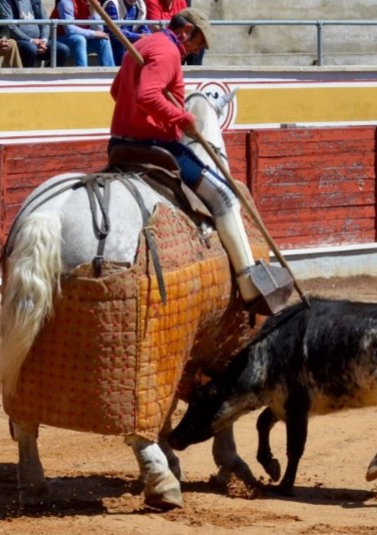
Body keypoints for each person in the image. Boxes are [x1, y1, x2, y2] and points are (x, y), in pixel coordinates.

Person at [108, 8, 291, 312]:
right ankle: (250, 287)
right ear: (185, 31)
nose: (198, 50)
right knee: (224, 196)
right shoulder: (167, 51)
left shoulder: (143, 44)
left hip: (118, 143)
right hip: (154, 145)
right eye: (199, 42)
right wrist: (181, 118)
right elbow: (147, 95)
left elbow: (117, 92)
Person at [0, 0, 70, 67]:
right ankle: (27, 76)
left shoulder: (35, 1)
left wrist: (44, 40)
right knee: (31, 48)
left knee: (63, 50)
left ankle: (48, 77)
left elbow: (45, 22)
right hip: (19, 41)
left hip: (39, 42)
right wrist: (31, 40)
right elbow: (10, 26)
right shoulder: (7, 2)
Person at [51, 0, 115, 67]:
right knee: (79, 39)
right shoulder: (66, 3)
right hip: (58, 41)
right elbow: (70, 30)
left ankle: (110, 71)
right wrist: (93, 33)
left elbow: (99, 31)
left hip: (81, 42)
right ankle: (82, 71)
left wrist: (93, 14)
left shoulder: (92, 3)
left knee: (103, 39)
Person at [102, 0, 151, 65]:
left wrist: (147, 36)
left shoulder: (140, 4)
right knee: (120, 42)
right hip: (112, 40)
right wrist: (138, 36)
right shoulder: (112, 4)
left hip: (132, 39)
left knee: (149, 42)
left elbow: (143, 26)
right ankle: (120, 69)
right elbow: (113, 31)